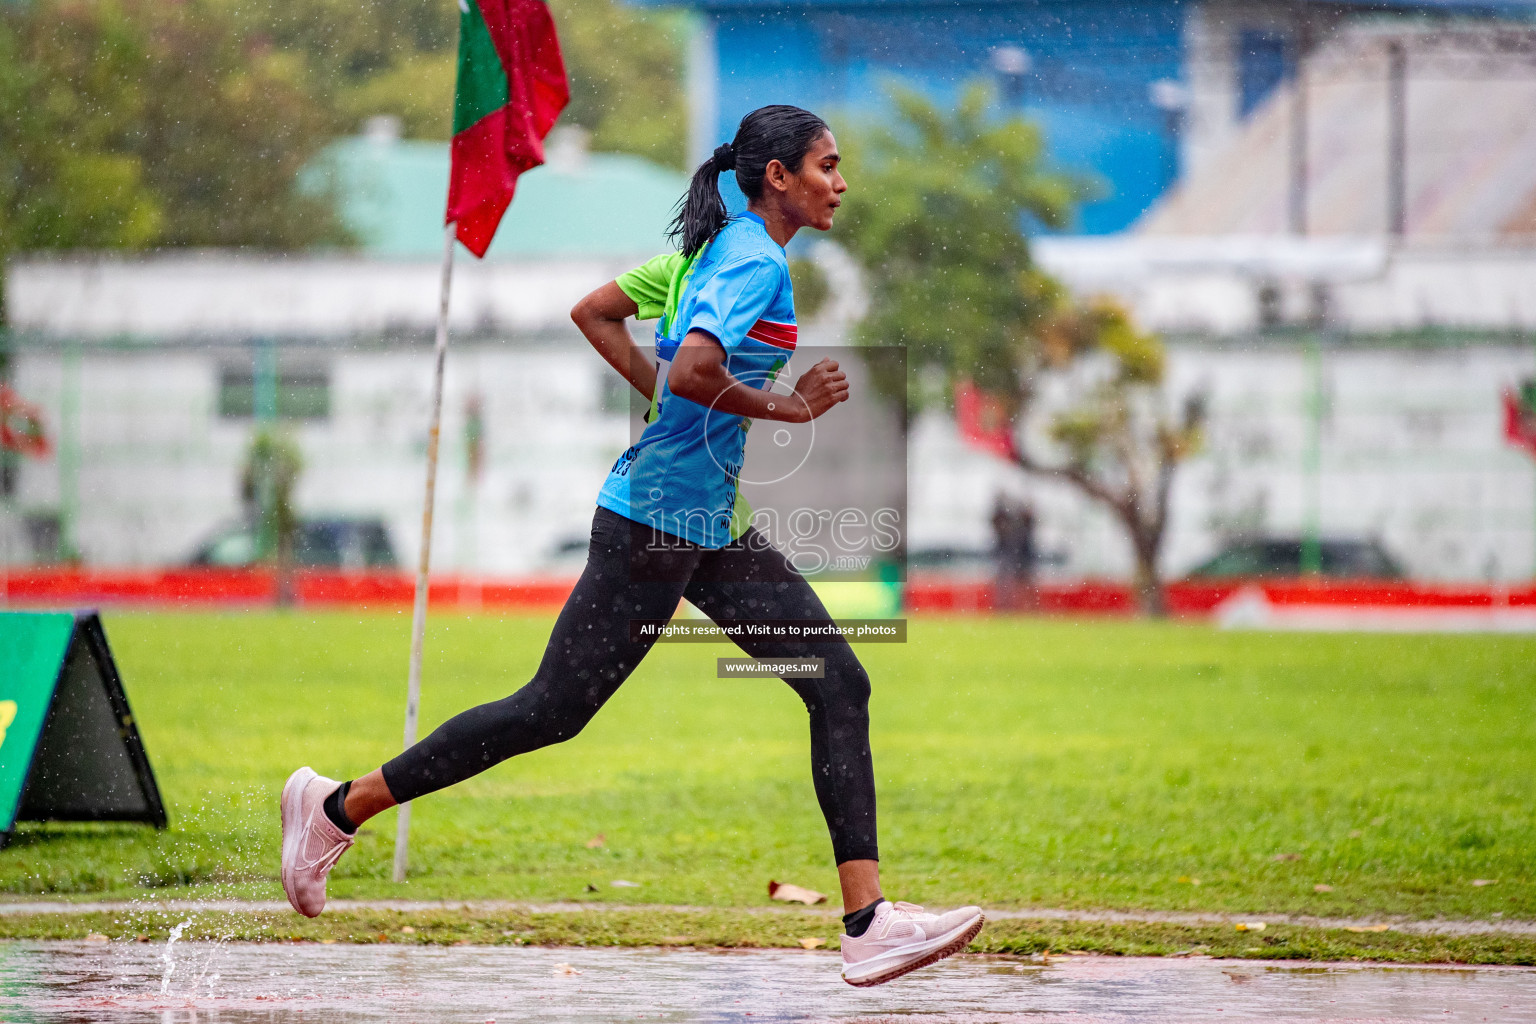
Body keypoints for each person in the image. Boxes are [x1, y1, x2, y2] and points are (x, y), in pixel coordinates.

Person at [279, 104, 984, 987]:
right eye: (826, 166)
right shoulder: (755, 261)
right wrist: (785, 407)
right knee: (550, 710)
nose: (840, 183)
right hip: (655, 523)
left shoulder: (706, 251)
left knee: (838, 681)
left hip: (708, 526)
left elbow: (596, 312)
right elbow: (693, 367)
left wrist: (670, 415)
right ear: (778, 176)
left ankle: (868, 921)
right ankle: (337, 806)